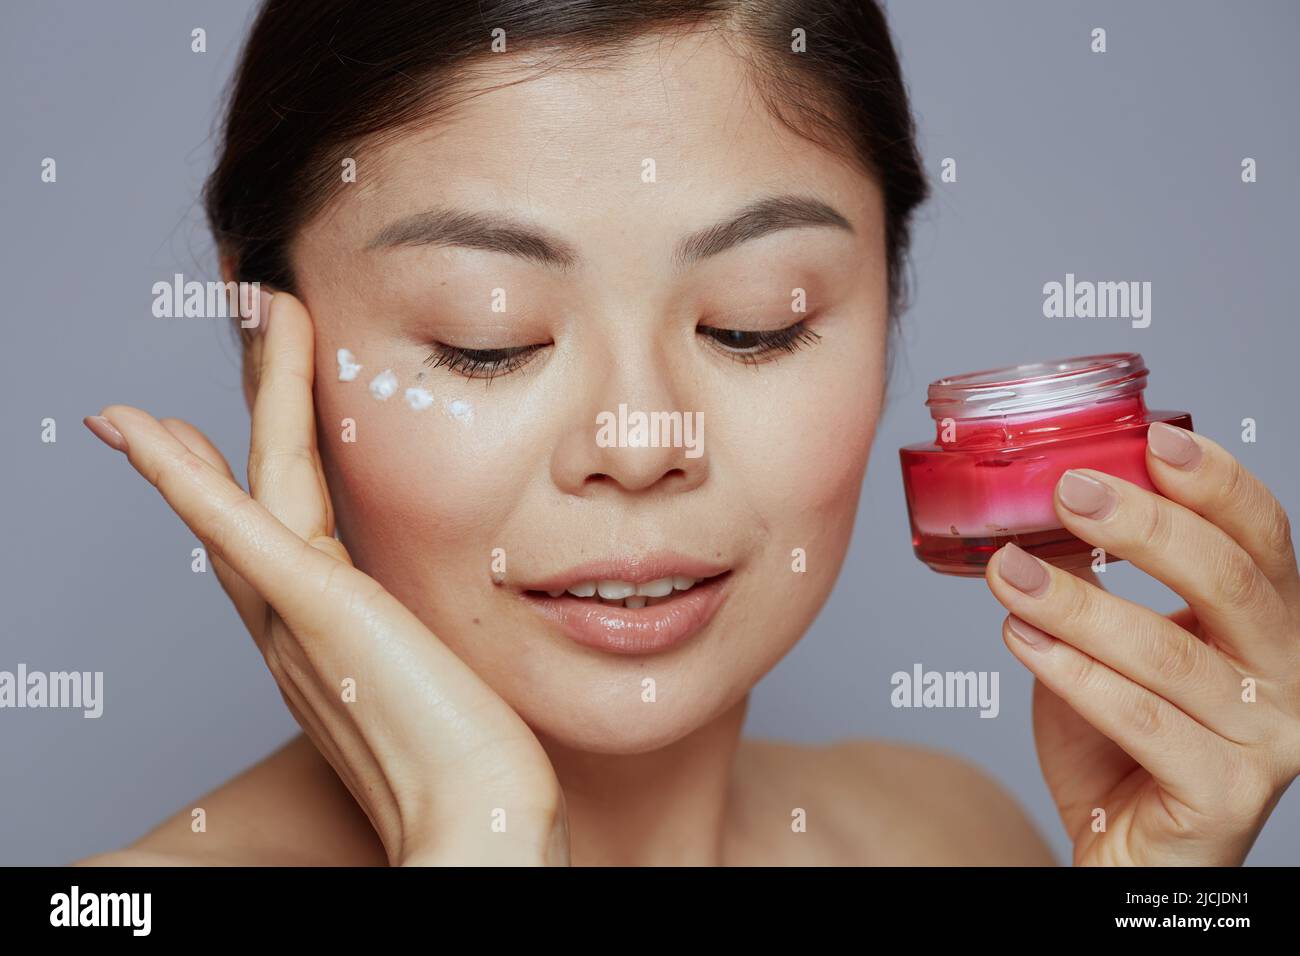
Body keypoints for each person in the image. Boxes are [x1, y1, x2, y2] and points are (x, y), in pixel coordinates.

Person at [76, 0, 1300, 866]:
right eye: (485, 335)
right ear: (266, 343)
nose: (640, 437)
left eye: (754, 324)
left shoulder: (956, 835)